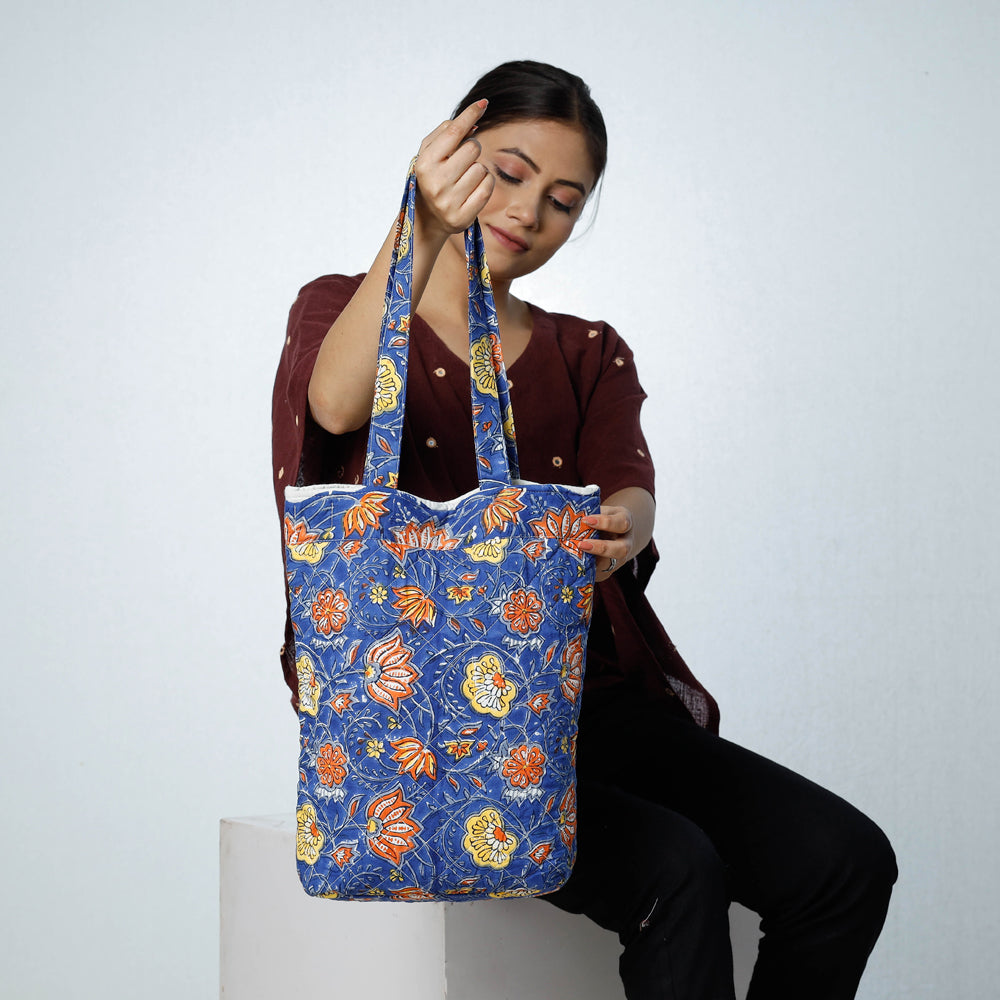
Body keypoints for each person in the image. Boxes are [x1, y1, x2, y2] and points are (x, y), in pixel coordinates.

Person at [272, 59, 896, 1000]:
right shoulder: (341, 304)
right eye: (508, 173)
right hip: (428, 728)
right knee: (677, 871)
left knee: (846, 862)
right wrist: (421, 224)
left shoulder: (588, 349)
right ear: (453, 151)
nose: (529, 213)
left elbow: (629, 489)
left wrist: (623, 529)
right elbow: (334, 403)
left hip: (588, 698)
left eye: (564, 201)